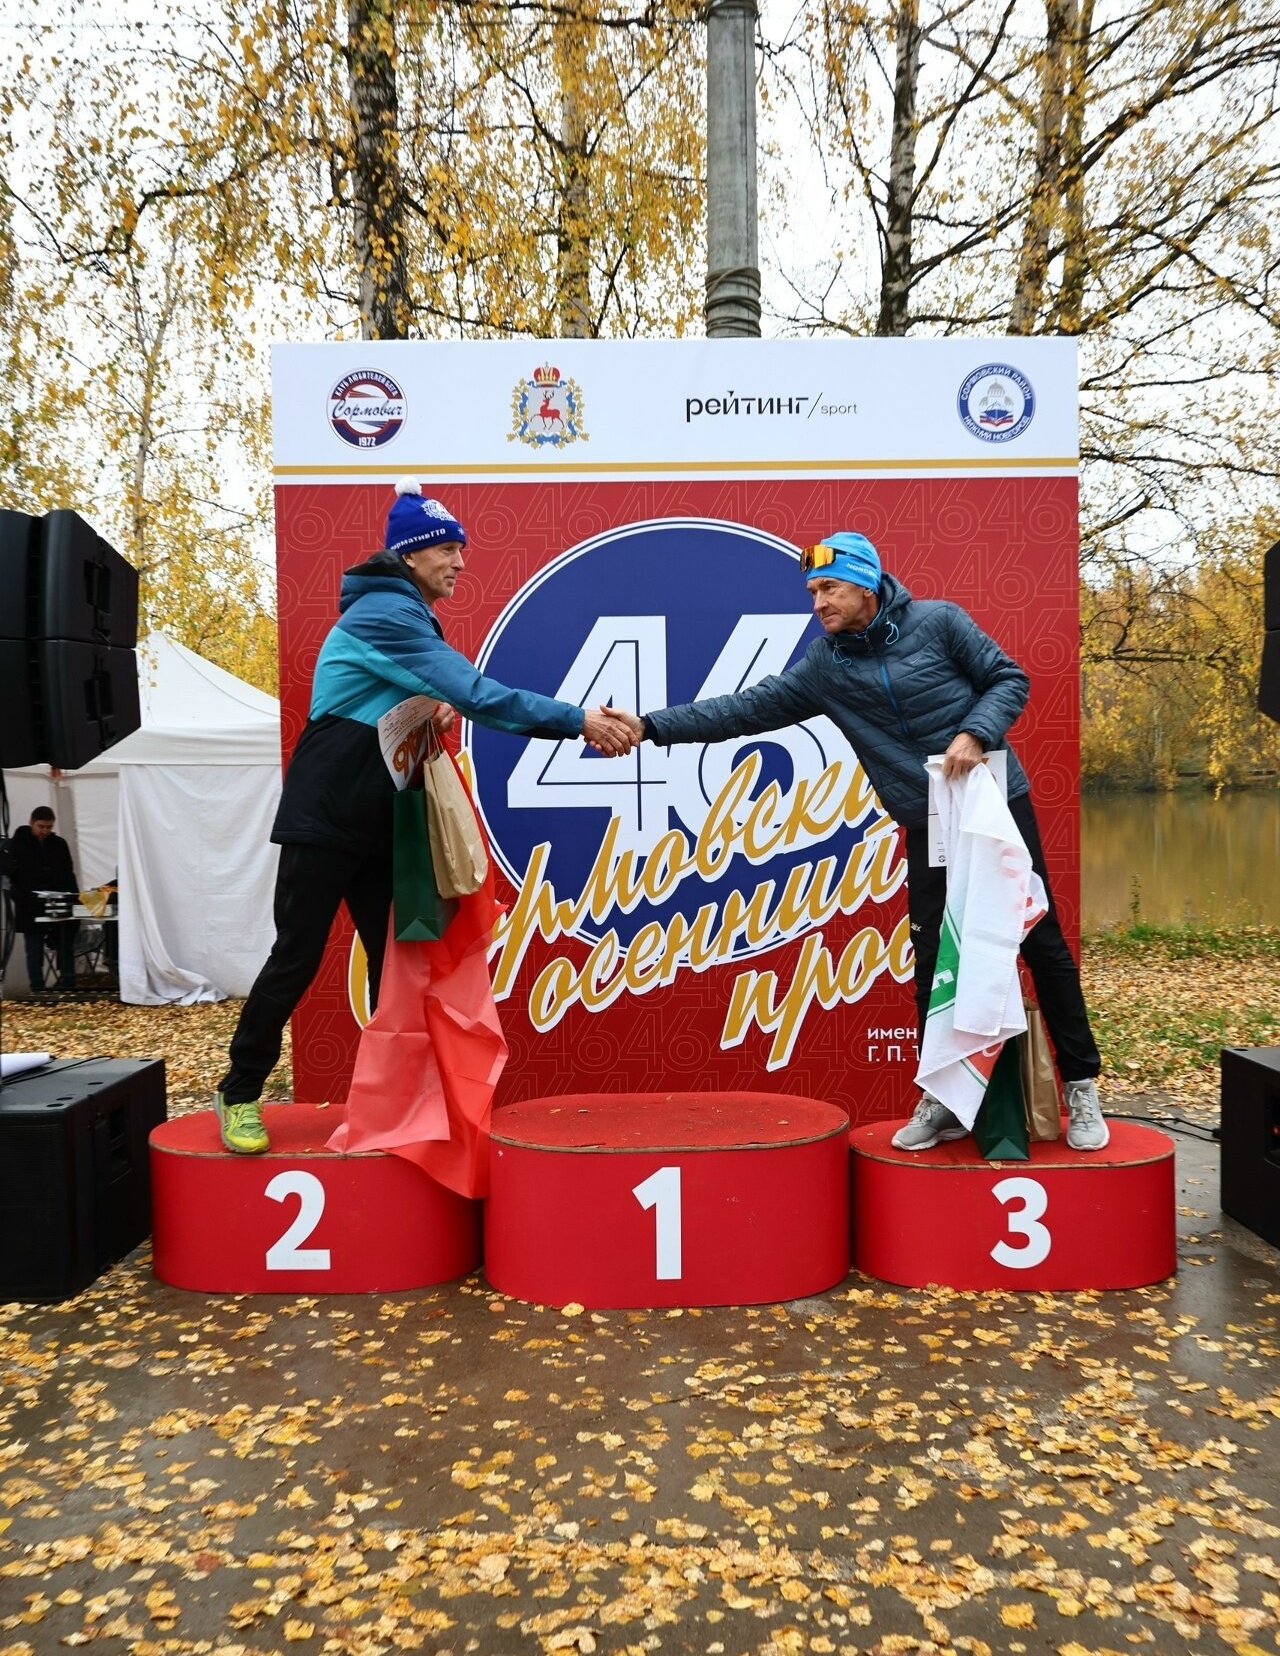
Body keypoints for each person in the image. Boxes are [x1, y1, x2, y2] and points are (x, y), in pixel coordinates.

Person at [600, 531, 1109, 1152]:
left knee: (1039, 941)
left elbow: (1008, 679)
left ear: (866, 584)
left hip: (994, 804)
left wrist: (976, 733)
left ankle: (1082, 1085)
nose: (818, 603)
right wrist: (649, 726)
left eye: (829, 588)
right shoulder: (826, 665)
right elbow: (743, 710)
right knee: (934, 957)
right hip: (928, 818)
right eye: (812, 591)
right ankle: (945, 1098)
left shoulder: (940, 622)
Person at [214, 480, 632, 1156]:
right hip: (325, 817)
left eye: (461, 549)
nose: (459, 562)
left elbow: (425, 702)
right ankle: (238, 1092)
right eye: (445, 549)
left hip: (387, 822)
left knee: (400, 966)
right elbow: (478, 693)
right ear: (409, 556)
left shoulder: (407, 616)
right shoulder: (384, 614)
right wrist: (577, 719)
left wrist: (428, 714)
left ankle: (400, 1103)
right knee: (296, 956)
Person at [9, 806, 79, 992]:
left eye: (49, 827)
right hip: (30, 905)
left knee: (65, 945)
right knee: (34, 950)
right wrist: (23, 899)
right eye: (41, 826)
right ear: (31, 823)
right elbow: (12, 877)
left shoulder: (59, 844)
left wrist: (74, 898)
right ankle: (37, 987)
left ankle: (67, 983)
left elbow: (68, 873)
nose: (45, 831)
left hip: (59, 902)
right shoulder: (17, 845)